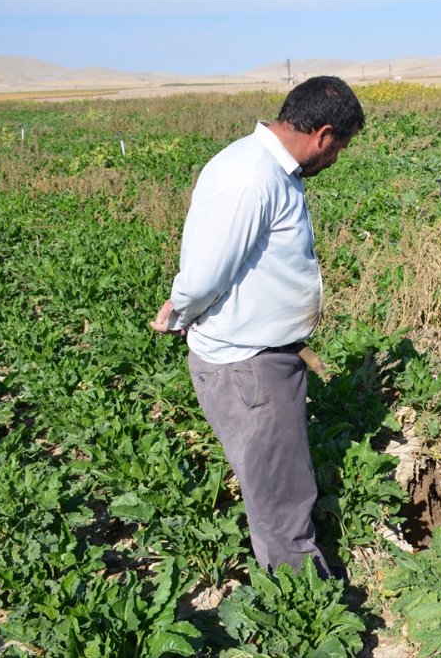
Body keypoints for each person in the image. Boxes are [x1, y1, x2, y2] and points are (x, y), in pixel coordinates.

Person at [149, 76, 365, 579]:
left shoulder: (261, 166)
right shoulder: (253, 176)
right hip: (249, 368)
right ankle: (303, 608)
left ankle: (291, 587)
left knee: (275, 483)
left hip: (257, 361)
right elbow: (205, 273)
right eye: (341, 148)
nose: (336, 160)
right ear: (323, 134)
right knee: (281, 496)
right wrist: (181, 309)